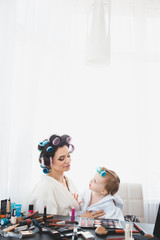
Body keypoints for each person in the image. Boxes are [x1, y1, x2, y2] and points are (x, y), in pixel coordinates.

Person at [29, 134, 105, 218]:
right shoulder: (45, 188)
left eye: (68, 155)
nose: (68, 160)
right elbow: (45, 223)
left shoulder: (67, 180)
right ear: (49, 161)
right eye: (61, 158)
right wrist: (80, 219)